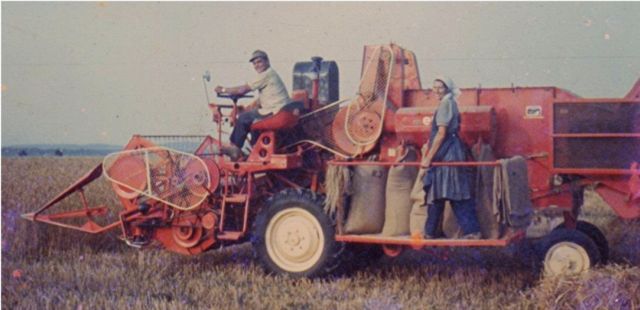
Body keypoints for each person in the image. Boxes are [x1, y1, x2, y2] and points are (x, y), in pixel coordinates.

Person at [421, 76, 482, 240]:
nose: (436, 91)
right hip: (446, 152)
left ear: (447, 88)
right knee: (438, 193)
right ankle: (429, 232)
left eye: (440, 87)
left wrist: (428, 157)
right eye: (434, 87)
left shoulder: (446, 103)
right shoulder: (447, 103)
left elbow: (441, 134)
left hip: (448, 153)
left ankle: (472, 231)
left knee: (454, 192)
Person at [214, 50, 292, 160]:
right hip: (281, 111)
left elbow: (242, 90)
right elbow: (264, 98)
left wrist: (223, 89)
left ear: (267, 61)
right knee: (253, 119)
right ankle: (257, 150)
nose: (256, 65)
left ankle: (235, 148)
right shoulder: (271, 74)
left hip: (276, 112)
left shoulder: (266, 74)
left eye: (259, 62)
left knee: (243, 118)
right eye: (254, 63)